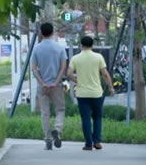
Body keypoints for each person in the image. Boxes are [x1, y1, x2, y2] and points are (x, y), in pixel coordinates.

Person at [68, 36, 115, 150]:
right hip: (96, 93)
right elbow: (105, 74)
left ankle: (88, 144)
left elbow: (69, 73)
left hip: (82, 93)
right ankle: (97, 141)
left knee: (85, 118)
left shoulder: (75, 58)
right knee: (97, 117)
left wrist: (77, 81)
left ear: (81, 45)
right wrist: (110, 87)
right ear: (92, 45)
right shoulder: (98, 57)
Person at [30, 22, 67, 150]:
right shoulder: (59, 48)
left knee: (45, 113)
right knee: (60, 109)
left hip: (42, 86)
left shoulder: (36, 49)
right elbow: (63, 68)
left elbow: (34, 69)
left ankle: (48, 140)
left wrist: (42, 83)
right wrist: (56, 82)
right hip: (56, 85)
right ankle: (57, 129)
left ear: (41, 32)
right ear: (52, 32)